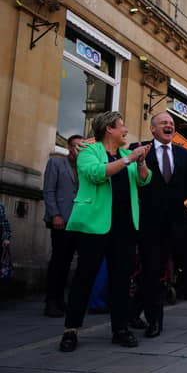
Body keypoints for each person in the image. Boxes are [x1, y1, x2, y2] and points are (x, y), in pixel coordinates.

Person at [59, 111, 151, 352]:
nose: (126, 130)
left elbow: (144, 180)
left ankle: (120, 329)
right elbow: (97, 174)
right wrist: (131, 158)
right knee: (84, 276)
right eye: (122, 126)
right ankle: (71, 330)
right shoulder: (89, 152)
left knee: (121, 279)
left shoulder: (124, 155)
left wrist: (141, 163)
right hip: (94, 225)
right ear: (109, 128)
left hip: (124, 228)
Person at [138, 111, 187, 339]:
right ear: (153, 128)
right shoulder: (139, 149)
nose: (169, 126)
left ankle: (133, 311)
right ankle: (154, 321)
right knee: (152, 270)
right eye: (163, 123)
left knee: (179, 264)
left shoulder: (182, 154)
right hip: (148, 222)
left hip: (177, 224)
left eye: (171, 123)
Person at [42, 134, 84, 317]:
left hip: (79, 221)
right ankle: (51, 301)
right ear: (68, 147)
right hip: (61, 219)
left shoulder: (85, 167)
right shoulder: (56, 164)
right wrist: (55, 215)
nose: (78, 150)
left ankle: (62, 300)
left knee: (71, 263)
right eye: (75, 146)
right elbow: (49, 190)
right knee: (58, 261)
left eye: (82, 147)